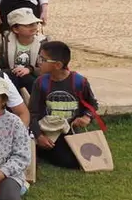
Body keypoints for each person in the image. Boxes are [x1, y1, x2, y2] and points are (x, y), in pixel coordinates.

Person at [30, 40, 100, 169]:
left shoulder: (79, 82)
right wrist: (39, 136)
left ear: (57, 65)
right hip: (48, 131)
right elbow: (32, 113)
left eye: (43, 59)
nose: (38, 63)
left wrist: (87, 117)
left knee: (73, 162)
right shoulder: (40, 83)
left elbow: (92, 104)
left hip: (70, 132)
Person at [0, 8, 47, 91]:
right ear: (15, 29)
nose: (33, 26)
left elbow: (47, 69)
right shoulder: (5, 43)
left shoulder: (44, 44)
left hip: (35, 81)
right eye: (27, 24)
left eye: (34, 23)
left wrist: (30, 69)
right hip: (11, 80)